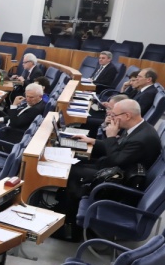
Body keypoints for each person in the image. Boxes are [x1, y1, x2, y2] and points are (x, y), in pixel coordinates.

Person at [56, 98, 162, 240]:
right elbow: (118, 148)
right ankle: (62, 210)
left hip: (119, 182)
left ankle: (72, 230)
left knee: (74, 173)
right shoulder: (137, 128)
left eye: (114, 115)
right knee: (75, 166)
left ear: (127, 116)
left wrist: (110, 136)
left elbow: (115, 159)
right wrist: (93, 141)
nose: (111, 118)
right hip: (114, 171)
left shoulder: (142, 138)